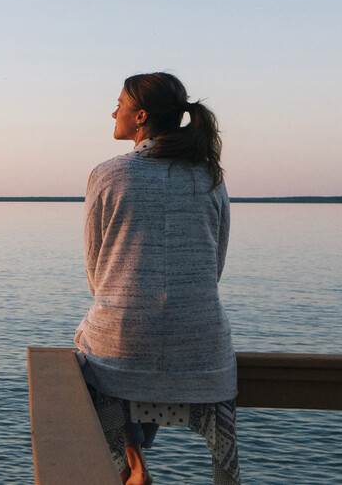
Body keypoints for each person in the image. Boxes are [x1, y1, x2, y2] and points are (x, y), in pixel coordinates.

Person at [74, 72, 239, 485]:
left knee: (96, 345)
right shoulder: (209, 176)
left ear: (141, 116)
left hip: (122, 346)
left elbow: (97, 275)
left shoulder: (108, 174)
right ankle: (137, 460)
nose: (113, 112)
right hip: (204, 348)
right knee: (136, 339)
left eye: (119, 105)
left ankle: (132, 460)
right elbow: (215, 267)